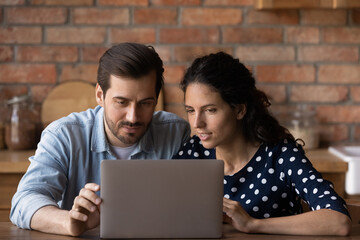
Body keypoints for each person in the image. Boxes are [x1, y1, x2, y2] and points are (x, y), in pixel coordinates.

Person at [10, 42, 190, 236]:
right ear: (100, 95)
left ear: (155, 99)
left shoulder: (176, 133)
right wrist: (69, 222)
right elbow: (25, 200)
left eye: (145, 103)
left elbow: (192, 204)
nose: (133, 117)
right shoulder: (63, 135)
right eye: (121, 102)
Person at [173, 52, 352, 236]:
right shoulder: (193, 153)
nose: (197, 123)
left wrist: (253, 224)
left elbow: (338, 220)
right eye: (190, 111)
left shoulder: (280, 155)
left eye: (210, 110)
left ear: (240, 110)